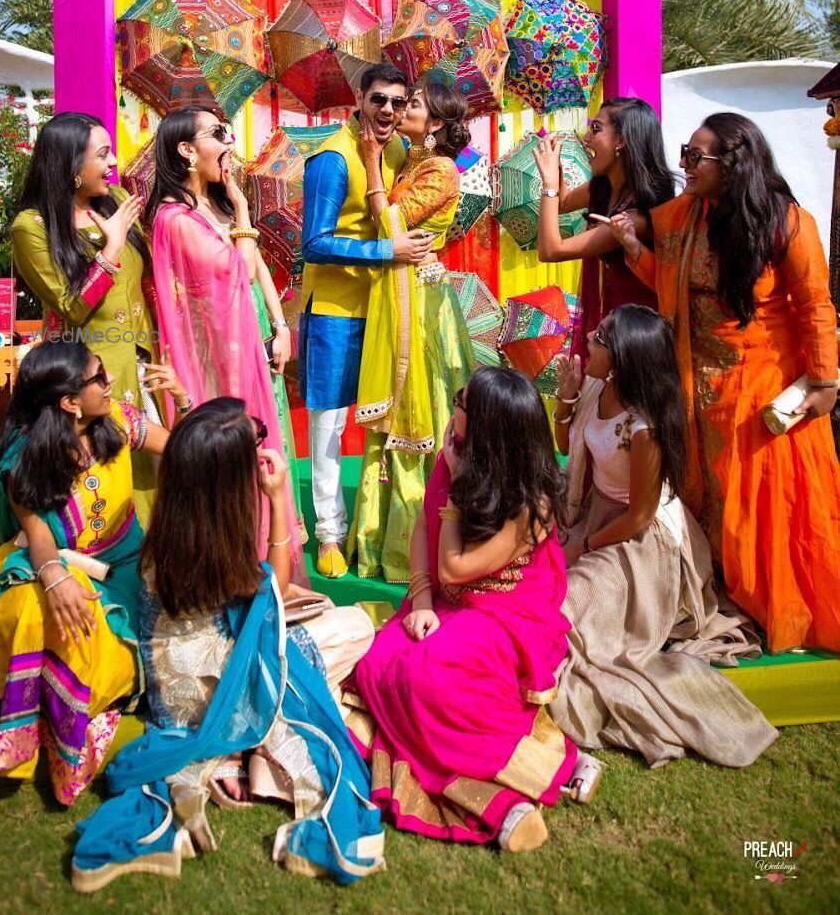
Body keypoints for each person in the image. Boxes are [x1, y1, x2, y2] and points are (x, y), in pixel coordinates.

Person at [72, 399, 383, 891]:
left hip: (173, 685)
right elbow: (273, 592)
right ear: (229, 477)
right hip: (221, 691)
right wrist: (279, 499)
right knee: (353, 626)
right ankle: (250, 747)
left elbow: (255, 602)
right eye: (255, 440)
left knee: (313, 608)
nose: (262, 444)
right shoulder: (221, 543)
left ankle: (244, 749)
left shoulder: (174, 526)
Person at [609, 114, 840, 653]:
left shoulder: (785, 222)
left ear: (733, 165)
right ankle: (717, 593)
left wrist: (825, 380)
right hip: (693, 377)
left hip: (759, 378)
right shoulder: (687, 215)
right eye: (685, 153)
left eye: (696, 156)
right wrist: (631, 245)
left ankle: (767, 603)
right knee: (703, 488)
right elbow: (672, 280)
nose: (684, 165)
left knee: (754, 497)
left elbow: (815, 306)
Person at [346, 367, 583, 852]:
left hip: (503, 616)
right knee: (377, 663)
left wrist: (455, 488)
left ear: (491, 427)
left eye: (462, 404)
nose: (453, 409)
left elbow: (454, 568)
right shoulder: (457, 454)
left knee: (426, 678)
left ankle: (520, 779)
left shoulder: (533, 504)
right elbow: (421, 531)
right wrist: (422, 601)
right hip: (447, 605)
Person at [0, 340, 184, 803]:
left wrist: (183, 398)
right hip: (48, 561)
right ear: (69, 402)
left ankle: (52, 712)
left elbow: (182, 447)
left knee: (94, 644)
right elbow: (38, 536)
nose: (111, 381)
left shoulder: (115, 418)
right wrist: (55, 579)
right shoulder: (24, 455)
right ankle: (32, 712)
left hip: (125, 570)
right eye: (99, 377)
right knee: (36, 611)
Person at [550, 305, 778, 768]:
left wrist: (582, 547)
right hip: (598, 518)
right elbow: (564, 443)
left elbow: (639, 515)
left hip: (641, 541)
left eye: (599, 337)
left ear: (621, 358)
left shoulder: (643, 425)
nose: (588, 339)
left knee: (566, 611)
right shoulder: (597, 387)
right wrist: (566, 399)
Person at [146, 107, 307, 582]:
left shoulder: (211, 206)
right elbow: (232, 271)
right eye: (218, 135)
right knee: (234, 451)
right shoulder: (174, 219)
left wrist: (279, 326)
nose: (230, 143)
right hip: (217, 352)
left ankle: (270, 558)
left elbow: (251, 269)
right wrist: (241, 212)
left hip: (251, 335)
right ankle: (238, 566)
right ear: (186, 150)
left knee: (266, 440)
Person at [299, 62, 433, 577]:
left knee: (386, 423)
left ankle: (374, 531)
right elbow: (313, 243)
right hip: (335, 311)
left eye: (398, 103)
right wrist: (388, 250)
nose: (389, 112)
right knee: (329, 426)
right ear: (359, 99)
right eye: (379, 100)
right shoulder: (331, 158)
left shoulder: (400, 153)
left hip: (384, 309)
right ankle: (329, 534)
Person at [347, 78, 476, 582]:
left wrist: (373, 161)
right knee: (404, 408)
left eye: (412, 104)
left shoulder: (440, 170)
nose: (400, 110)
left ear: (436, 124)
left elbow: (390, 226)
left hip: (420, 304)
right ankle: (387, 539)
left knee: (420, 408)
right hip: (405, 293)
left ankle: (419, 545)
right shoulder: (416, 161)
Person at [11, 112, 159, 518]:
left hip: (141, 367)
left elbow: (144, 287)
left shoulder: (113, 204)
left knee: (153, 479)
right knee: (102, 487)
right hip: (87, 380)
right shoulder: (33, 227)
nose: (114, 163)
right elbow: (71, 305)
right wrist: (110, 249)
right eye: (103, 154)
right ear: (71, 165)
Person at [534, 97, 675, 364]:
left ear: (621, 141)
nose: (586, 138)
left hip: (634, 333)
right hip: (609, 314)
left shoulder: (637, 215)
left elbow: (552, 250)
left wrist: (550, 184)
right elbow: (563, 202)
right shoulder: (604, 185)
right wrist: (557, 171)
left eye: (596, 129)